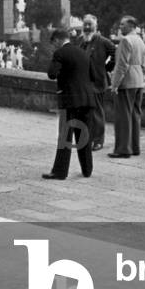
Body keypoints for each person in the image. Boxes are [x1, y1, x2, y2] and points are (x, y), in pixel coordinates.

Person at [43, 29, 101, 180]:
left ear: (56, 40)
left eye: (53, 43)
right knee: (84, 136)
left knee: (65, 137)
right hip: (87, 100)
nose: (54, 47)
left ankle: (60, 172)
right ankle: (87, 170)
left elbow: (51, 74)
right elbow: (94, 76)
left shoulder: (60, 53)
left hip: (69, 101)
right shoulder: (83, 53)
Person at [76, 14, 116, 151]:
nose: (87, 27)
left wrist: (106, 68)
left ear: (95, 26)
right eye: (85, 24)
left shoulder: (103, 41)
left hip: (97, 82)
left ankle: (98, 140)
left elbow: (116, 53)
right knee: (85, 112)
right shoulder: (80, 41)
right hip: (83, 83)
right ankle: (88, 138)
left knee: (97, 112)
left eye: (90, 25)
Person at [109, 15, 145, 158]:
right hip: (138, 82)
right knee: (135, 115)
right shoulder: (140, 41)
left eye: (123, 25)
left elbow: (122, 65)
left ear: (131, 26)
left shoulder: (125, 41)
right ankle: (134, 147)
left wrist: (115, 84)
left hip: (127, 82)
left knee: (123, 117)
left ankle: (123, 149)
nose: (120, 27)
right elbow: (144, 65)